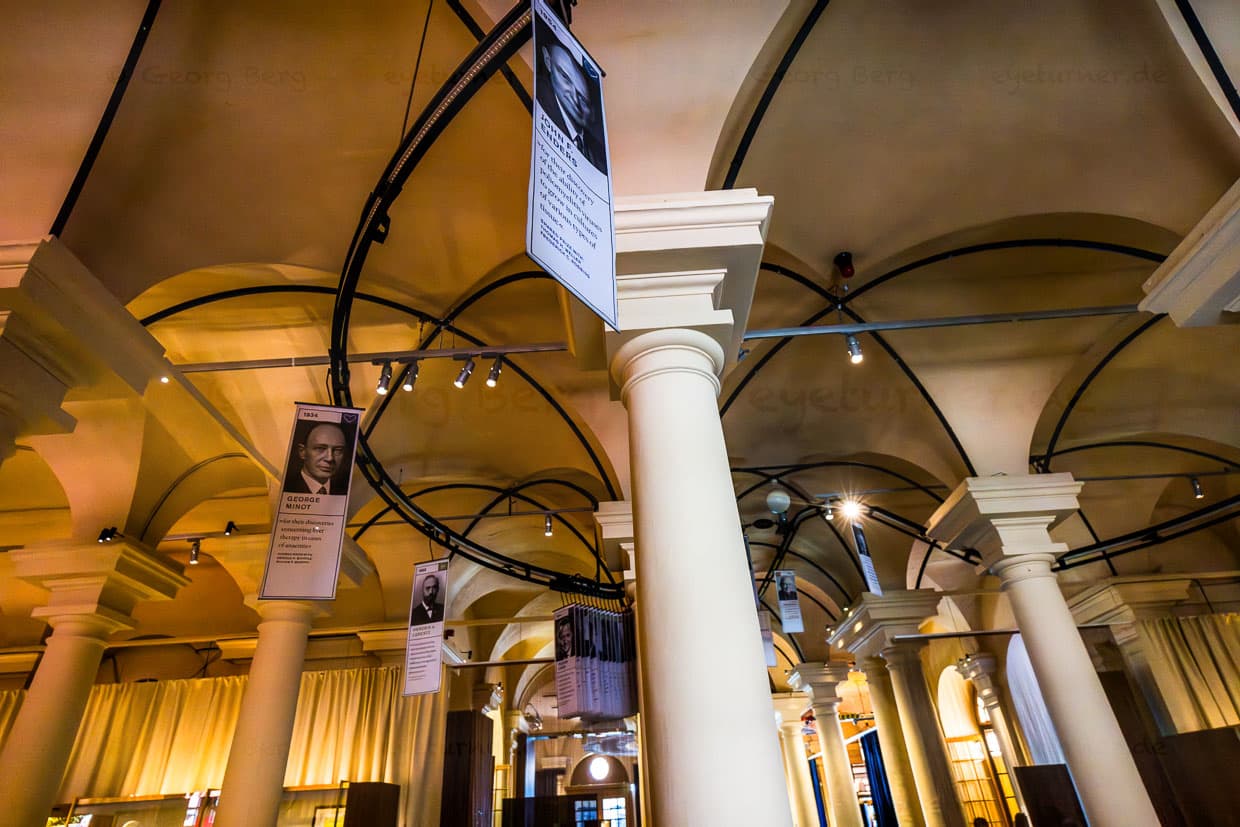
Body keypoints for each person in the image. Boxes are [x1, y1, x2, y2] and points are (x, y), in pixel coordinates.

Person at [536, 33, 607, 175]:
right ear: (548, 61)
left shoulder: (599, 157)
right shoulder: (540, 106)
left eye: (583, 99)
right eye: (565, 78)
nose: (574, 99)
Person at [284, 422, 349, 494]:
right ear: (302, 452)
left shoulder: (346, 491)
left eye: (338, 450)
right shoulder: (287, 487)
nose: (330, 458)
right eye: (320, 448)